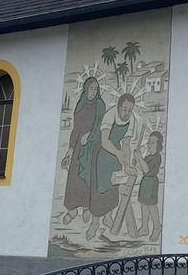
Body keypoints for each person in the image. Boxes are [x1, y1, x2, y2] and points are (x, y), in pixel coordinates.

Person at [86, 93, 141, 240]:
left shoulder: (131, 120)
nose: (127, 113)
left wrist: (126, 165)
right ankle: (94, 223)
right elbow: (104, 141)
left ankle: (107, 218)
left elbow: (126, 145)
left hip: (116, 155)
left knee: (112, 189)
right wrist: (118, 153)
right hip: (103, 153)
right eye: (124, 109)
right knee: (100, 191)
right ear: (118, 107)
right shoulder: (110, 115)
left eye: (130, 110)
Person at [60, 77, 106, 225]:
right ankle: (72, 209)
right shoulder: (80, 104)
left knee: (88, 176)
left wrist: (90, 136)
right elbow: (75, 129)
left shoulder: (100, 105)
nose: (94, 91)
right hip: (79, 146)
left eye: (96, 89)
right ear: (86, 89)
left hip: (93, 146)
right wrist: (70, 149)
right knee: (74, 175)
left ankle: (87, 207)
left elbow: (101, 127)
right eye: (91, 88)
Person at [135, 131, 163, 242]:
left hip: (151, 183)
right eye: (149, 142)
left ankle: (157, 227)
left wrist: (139, 158)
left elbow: (146, 169)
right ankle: (144, 227)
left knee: (151, 206)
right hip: (145, 182)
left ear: (158, 145)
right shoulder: (148, 156)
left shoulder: (156, 157)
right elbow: (141, 167)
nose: (149, 144)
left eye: (153, 142)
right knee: (143, 204)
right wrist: (137, 159)